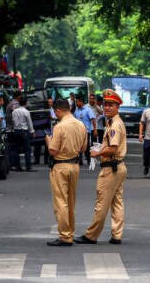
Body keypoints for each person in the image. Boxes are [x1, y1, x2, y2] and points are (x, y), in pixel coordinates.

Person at [75, 89, 127, 245]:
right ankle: (117, 235)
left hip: (111, 168)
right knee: (117, 202)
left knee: (101, 203)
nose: (107, 108)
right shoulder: (114, 122)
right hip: (119, 167)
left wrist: (97, 153)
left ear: (117, 107)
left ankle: (91, 235)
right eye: (105, 105)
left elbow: (112, 148)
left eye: (111, 105)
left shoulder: (114, 125)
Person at [46, 98, 88, 246]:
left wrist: (48, 141)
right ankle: (69, 233)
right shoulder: (81, 125)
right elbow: (84, 148)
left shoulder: (60, 126)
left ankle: (65, 236)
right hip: (75, 166)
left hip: (60, 166)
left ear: (58, 110)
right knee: (71, 202)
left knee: (61, 202)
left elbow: (53, 150)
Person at [10, 95, 34, 171]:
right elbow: (29, 123)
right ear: (26, 103)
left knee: (16, 149)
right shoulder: (26, 112)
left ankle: (18, 166)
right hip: (24, 131)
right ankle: (28, 167)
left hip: (16, 131)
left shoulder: (14, 111)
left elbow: (13, 121)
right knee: (27, 149)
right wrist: (32, 131)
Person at [74, 95, 97, 165]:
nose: (76, 103)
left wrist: (95, 130)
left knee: (86, 146)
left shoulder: (87, 110)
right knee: (78, 146)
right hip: (78, 132)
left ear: (81, 102)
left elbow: (93, 120)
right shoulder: (76, 110)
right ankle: (79, 160)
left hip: (86, 132)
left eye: (77, 102)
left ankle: (89, 160)